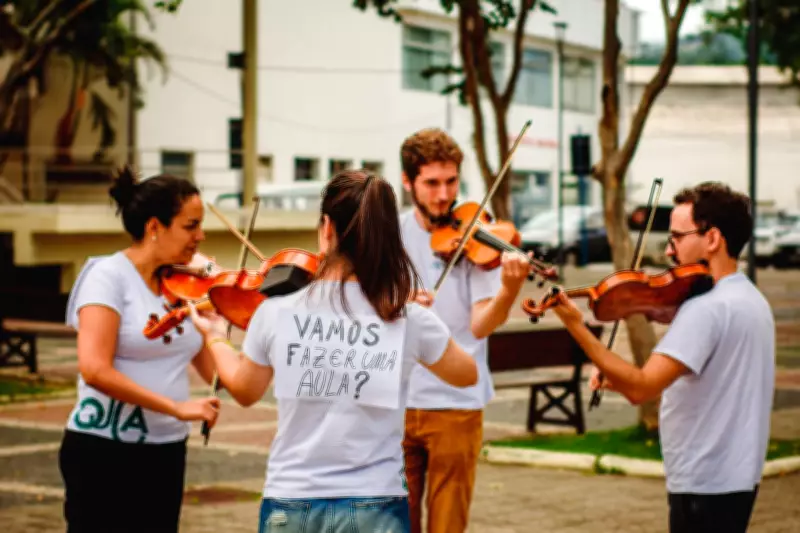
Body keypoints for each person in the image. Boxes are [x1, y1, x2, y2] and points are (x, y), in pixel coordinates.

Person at [189, 170, 479, 533]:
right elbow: (466, 373)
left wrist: (216, 336)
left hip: (292, 498)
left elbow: (245, 391)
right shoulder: (409, 317)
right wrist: (422, 325)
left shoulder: (276, 310)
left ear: (327, 227)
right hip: (376, 500)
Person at [546, 182, 775, 533]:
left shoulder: (705, 309)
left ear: (712, 239)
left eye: (677, 238)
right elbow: (701, 380)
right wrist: (616, 376)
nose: (669, 252)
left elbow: (642, 388)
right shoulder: (752, 300)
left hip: (703, 480)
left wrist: (576, 326)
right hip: (738, 476)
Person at [58, 167, 221, 533]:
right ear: (154, 227)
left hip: (165, 448)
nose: (201, 235)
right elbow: (94, 370)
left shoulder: (182, 288)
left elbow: (217, 375)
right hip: (103, 450)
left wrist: (222, 325)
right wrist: (177, 407)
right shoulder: (108, 277)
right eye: (191, 225)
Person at [397, 128, 533, 533]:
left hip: (456, 403)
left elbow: (480, 324)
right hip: (395, 401)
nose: (443, 195)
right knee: (393, 525)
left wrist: (508, 290)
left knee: (448, 525)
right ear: (408, 183)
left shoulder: (477, 235)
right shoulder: (389, 233)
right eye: (431, 183)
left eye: (451, 181)